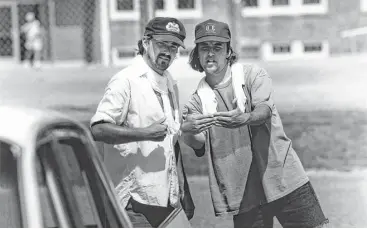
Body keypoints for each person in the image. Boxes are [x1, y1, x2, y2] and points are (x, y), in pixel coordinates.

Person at [181, 19, 329, 228]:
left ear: (228, 50)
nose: (211, 53)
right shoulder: (197, 101)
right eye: (204, 47)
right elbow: (197, 144)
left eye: (217, 47)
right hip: (243, 191)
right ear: (196, 53)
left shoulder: (252, 76)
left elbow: (264, 111)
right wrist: (186, 130)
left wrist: (245, 118)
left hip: (282, 176)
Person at [90, 17, 194, 228]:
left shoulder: (170, 83)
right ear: (146, 42)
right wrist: (144, 133)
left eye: (174, 46)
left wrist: (185, 189)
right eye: (162, 44)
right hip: (133, 199)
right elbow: (98, 128)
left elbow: (173, 141)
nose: (168, 51)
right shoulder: (125, 81)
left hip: (166, 196)